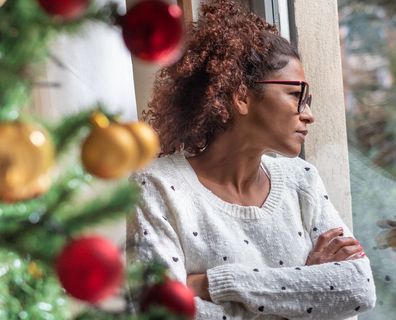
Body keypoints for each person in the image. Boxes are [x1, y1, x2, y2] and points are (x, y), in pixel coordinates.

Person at [126, 0, 377, 319]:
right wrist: (307, 289)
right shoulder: (157, 186)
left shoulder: (303, 180)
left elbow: (358, 288)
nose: (309, 115)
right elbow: (161, 312)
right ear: (241, 96)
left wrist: (216, 283)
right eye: (295, 94)